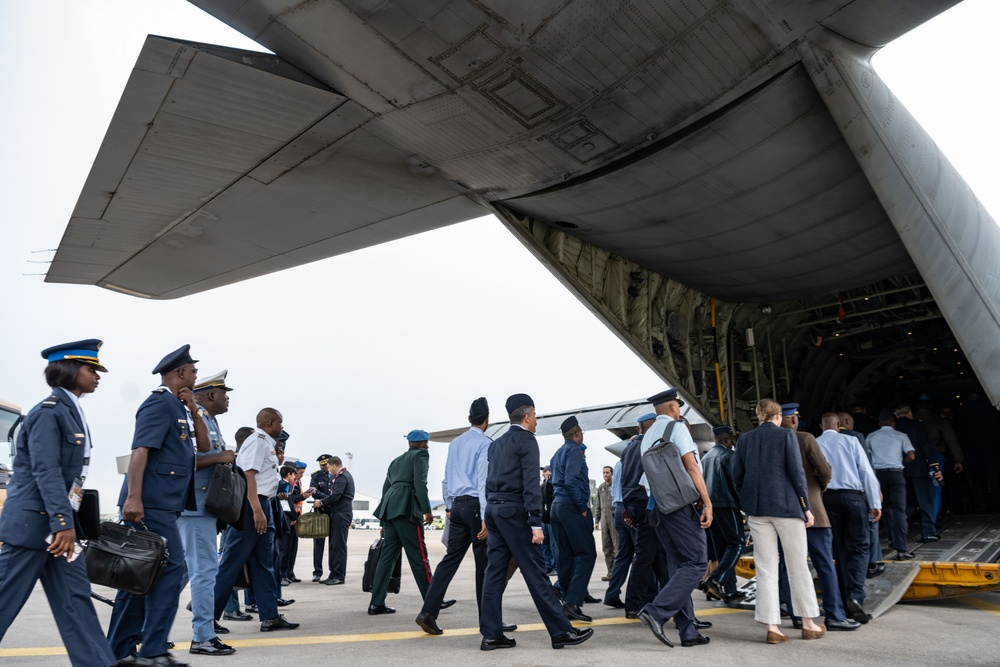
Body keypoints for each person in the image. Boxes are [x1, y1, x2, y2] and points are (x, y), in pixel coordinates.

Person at [0, 339, 117, 667]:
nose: (97, 375)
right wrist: (62, 523)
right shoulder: (48, 413)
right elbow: (46, 472)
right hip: (34, 527)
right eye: (90, 368)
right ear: (67, 369)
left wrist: (66, 525)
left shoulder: (71, 410)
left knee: (76, 604)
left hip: (59, 529)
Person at [107, 345, 211, 667]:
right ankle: (152, 650)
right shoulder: (158, 404)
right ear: (180, 373)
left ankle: (118, 650)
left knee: (139, 576)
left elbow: (203, 448)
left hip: (166, 505)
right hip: (149, 505)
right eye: (193, 371)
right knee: (172, 570)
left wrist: (193, 409)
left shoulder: (179, 407)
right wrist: (133, 497)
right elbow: (140, 450)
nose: (196, 376)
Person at [478, 394, 593, 651]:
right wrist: (535, 522)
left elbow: (487, 481)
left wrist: (489, 512)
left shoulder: (496, 444)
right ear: (528, 416)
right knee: (537, 573)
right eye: (536, 416)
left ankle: (491, 635)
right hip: (515, 514)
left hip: (495, 512)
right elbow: (531, 482)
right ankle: (561, 631)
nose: (537, 422)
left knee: (494, 574)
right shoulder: (527, 441)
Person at [732, 398, 825, 644]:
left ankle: (772, 627)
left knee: (765, 568)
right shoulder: (786, 436)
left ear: (758, 416)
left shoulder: (745, 440)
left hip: (757, 511)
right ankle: (808, 623)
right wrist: (806, 507)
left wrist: (748, 503)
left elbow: (737, 476)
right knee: (797, 566)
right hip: (787, 509)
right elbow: (797, 473)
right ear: (778, 416)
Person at [634, 388, 712, 649]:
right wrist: (707, 502)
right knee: (698, 562)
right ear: (672, 408)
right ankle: (656, 611)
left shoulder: (645, 438)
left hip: (656, 508)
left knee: (679, 566)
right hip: (679, 507)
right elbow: (691, 467)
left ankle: (688, 631)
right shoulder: (678, 429)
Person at [213, 408, 299, 632]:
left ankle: (270, 616)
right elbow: (248, 475)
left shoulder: (267, 444)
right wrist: (257, 510)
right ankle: (207, 616)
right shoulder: (257, 441)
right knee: (231, 563)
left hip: (263, 504)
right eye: (280, 423)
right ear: (270, 423)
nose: (282, 427)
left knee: (264, 565)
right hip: (253, 507)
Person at [777, 404, 859, 631]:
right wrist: (817, 489)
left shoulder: (772, 441)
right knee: (824, 563)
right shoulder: (805, 438)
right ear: (794, 420)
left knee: (789, 565)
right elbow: (825, 471)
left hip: (784, 513)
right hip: (813, 510)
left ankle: (796, 615)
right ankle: (834, 615)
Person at [416, 397, 490, 635]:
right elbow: (482, 481)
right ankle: (488, 621)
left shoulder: (455, 443)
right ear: (487, 420)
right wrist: (485, 517)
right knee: (484, 565)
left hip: (456, 506)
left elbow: (446, 477)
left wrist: (449, 506)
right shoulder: (486, 443)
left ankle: (428, 611)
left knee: (449, 561)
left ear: (469, 419)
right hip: (475, 506)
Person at [179, 370, 238, 656]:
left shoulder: (207, 419)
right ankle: (203, 635)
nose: (228, 400)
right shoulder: (195, 415)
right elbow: (184, 459)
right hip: (194, 510)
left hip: (204, 509)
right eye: (225, 394)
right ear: (212, 394)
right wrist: (220, 457)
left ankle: (146, 626)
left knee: (178, 572)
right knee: (204, 571)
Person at [816, 412, 882, 624]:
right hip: (853, 498)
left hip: (827, 499)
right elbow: (866, 472)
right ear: (838, 425)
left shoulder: (815, 443)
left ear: (821, 426)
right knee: (860, 547)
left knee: (840, 550)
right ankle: (855, 595)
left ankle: (845, 603)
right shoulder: (851, 440)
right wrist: (875, 503)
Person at [368, 430, 435, 615]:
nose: (428, 446)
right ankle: (433, 599)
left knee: (387, 558)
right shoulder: (421, 455)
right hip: (406, 507)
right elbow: (420, 482)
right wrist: (426, 510)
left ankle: (377, 602)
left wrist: (383, 520)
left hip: (390, 508)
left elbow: (385, 488)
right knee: (419, 556)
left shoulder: (396, 460)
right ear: (420, 444)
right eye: (426, 442)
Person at [549, 415, 598, 622]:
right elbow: (571, 481)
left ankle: (566, 598)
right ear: (577, 434)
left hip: (557, 506)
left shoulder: (557, 453)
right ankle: (572, 602)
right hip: (571, 505)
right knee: (587, 554)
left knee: (566, 555)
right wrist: (582, 507)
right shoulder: (575, 451)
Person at [620, 412, 668, 618]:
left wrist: (627, 508)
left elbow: (624, 480)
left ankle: (664, 600)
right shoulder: (648, 446)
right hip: (647, 505)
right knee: (645, 556)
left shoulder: (628, 448)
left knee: (657, 556)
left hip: (633, 505)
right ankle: (632, 603)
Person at [700, 425, 743, 602]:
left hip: (710, 508)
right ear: (727, 439)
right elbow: (735, 483)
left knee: (723, 549)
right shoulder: (729, 456)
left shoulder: (706, 458)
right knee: (737, 543)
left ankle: (729, 590)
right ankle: (715, 579)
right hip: (727, 505)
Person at [868, 410, 917, 560]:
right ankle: (901, 549)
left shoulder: (871, 436)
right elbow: (911, 455)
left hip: (878, 475)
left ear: (879, 424)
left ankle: (891, 539)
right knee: (899, 510)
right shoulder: (901, 435)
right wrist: (900, 462)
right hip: (896, 474)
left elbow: (866, 457)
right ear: (893, 423)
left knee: (884, 507)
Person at [895, 405, 942, 541]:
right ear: (910, 413)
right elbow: (925, 446)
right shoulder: (917, 425)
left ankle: (899, 533)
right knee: (925, 502)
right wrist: (935, 466)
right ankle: (928, 532)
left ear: (897, 415)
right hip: (919, 469)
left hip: (900, 469)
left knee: (906, 504)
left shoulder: (893, 427)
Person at [314, 455, 354, 585]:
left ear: (335, 466)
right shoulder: (341, 476)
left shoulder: (342, 477)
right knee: (334, 545)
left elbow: (336, 496)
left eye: (329, 467)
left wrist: (321, 502)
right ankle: (333, 574)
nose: (328, 469)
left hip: (341, 513)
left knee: (339, 546)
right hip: (337, 513)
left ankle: (339, 575)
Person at [310, 454, 336, 582]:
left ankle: (332, 571)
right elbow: (313, 492)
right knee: (318, 544)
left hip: (333, 513)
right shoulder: (315, 476)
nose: (324, 467)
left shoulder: (335, 475)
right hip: (320, 513)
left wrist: (326, 499)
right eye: (322, 465)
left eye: (326, 465)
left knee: (333, 544)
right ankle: (317, 572)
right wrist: (327, 499)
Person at [595, 465, 617, 581]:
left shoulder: (616, 486)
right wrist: (596, 521)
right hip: (604, 519)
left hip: (614, 517)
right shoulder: (601, 488)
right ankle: (610, 572)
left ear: (612, 474)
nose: (605, 475)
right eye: (603, 473)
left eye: (607, 473)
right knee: (606, 547)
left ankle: (618, 572)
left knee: (616, 546)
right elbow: (598, 506)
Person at [539, 466, 556, 575]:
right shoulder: (542, 485)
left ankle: (555, 566)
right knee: (545, 543)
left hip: (551, 518)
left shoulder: (552, 484)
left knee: (553, 543)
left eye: (546, 471)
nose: (543, 473)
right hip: (543, 518)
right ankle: (547, 565)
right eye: (543, 471)